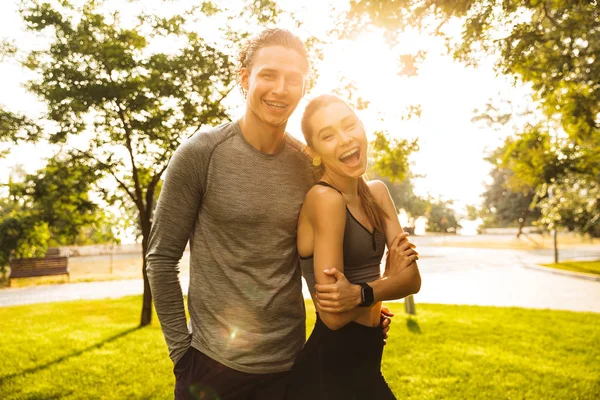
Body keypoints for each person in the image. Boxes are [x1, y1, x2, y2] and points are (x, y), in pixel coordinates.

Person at [146, 29, 393, 400]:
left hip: (293, 367)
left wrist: (362, 311)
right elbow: (161, 259)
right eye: (268, 75)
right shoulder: (200, 154)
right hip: (211, 368)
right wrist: (183, 355)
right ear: (245, 78)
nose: (280, 89)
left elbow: (322, 261)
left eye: (293, 79)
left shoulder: (307, 167)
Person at [286, 94, 422, 400]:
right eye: (328, 135)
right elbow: (334, 317)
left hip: (367, 365)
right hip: (328, 378)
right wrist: (387, 282)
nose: (345, 139)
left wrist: (363, 294)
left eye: (350, 125)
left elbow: (413, 280)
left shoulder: (377, 193)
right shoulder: (325, 199)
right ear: (315, 152)